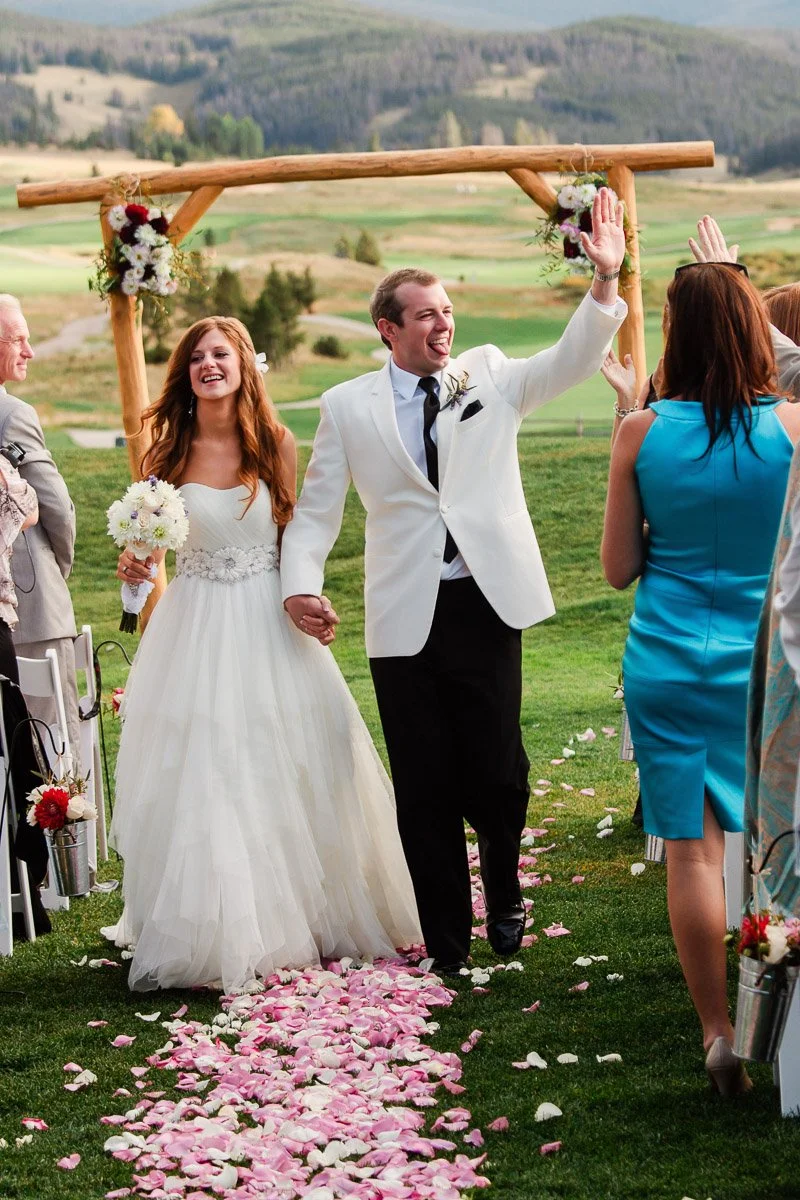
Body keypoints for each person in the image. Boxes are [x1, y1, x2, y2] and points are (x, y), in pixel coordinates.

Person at [281, 187, 627, 974]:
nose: (445, 325)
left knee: (497, 770)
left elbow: (568, 360)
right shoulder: (346, 405)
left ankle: (503, 885)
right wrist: (299, 582)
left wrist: (603, 281)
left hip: (484, 600)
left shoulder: (491, 374)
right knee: (423, 783)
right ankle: (446, 945)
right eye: (427, 314)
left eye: (447, 311)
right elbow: (316, 511)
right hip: (402, 614)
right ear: (388, 328)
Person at [106, 316, 420, 993]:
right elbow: (148, 554)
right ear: (185, 373)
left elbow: (293, 543)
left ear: (245, 365)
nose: (207, 365)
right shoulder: (164, 452)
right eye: (196, 358)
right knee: (205, 765)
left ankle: (302, 913)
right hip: (192, 628)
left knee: (288, 754)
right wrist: (134, 575)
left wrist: (305, 598)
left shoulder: (275, 444)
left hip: (266, 622)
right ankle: (208, 928)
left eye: (220, 354)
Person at [602, 260, 800, 1095]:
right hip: (770, 662)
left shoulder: (640, 433)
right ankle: (778, 1027)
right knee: (780, 843)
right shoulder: (794, 426)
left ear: (676, 334)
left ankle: (719, 1033)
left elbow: (618, 568)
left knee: (692, 849)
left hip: (669, 658)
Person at [0, 296, 80, 769]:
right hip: (30, 612)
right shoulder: (12, 414)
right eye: (19, 340)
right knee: (53, 747)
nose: (29, 351)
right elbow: (56, 507)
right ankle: (66, 842)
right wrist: (55, 574)